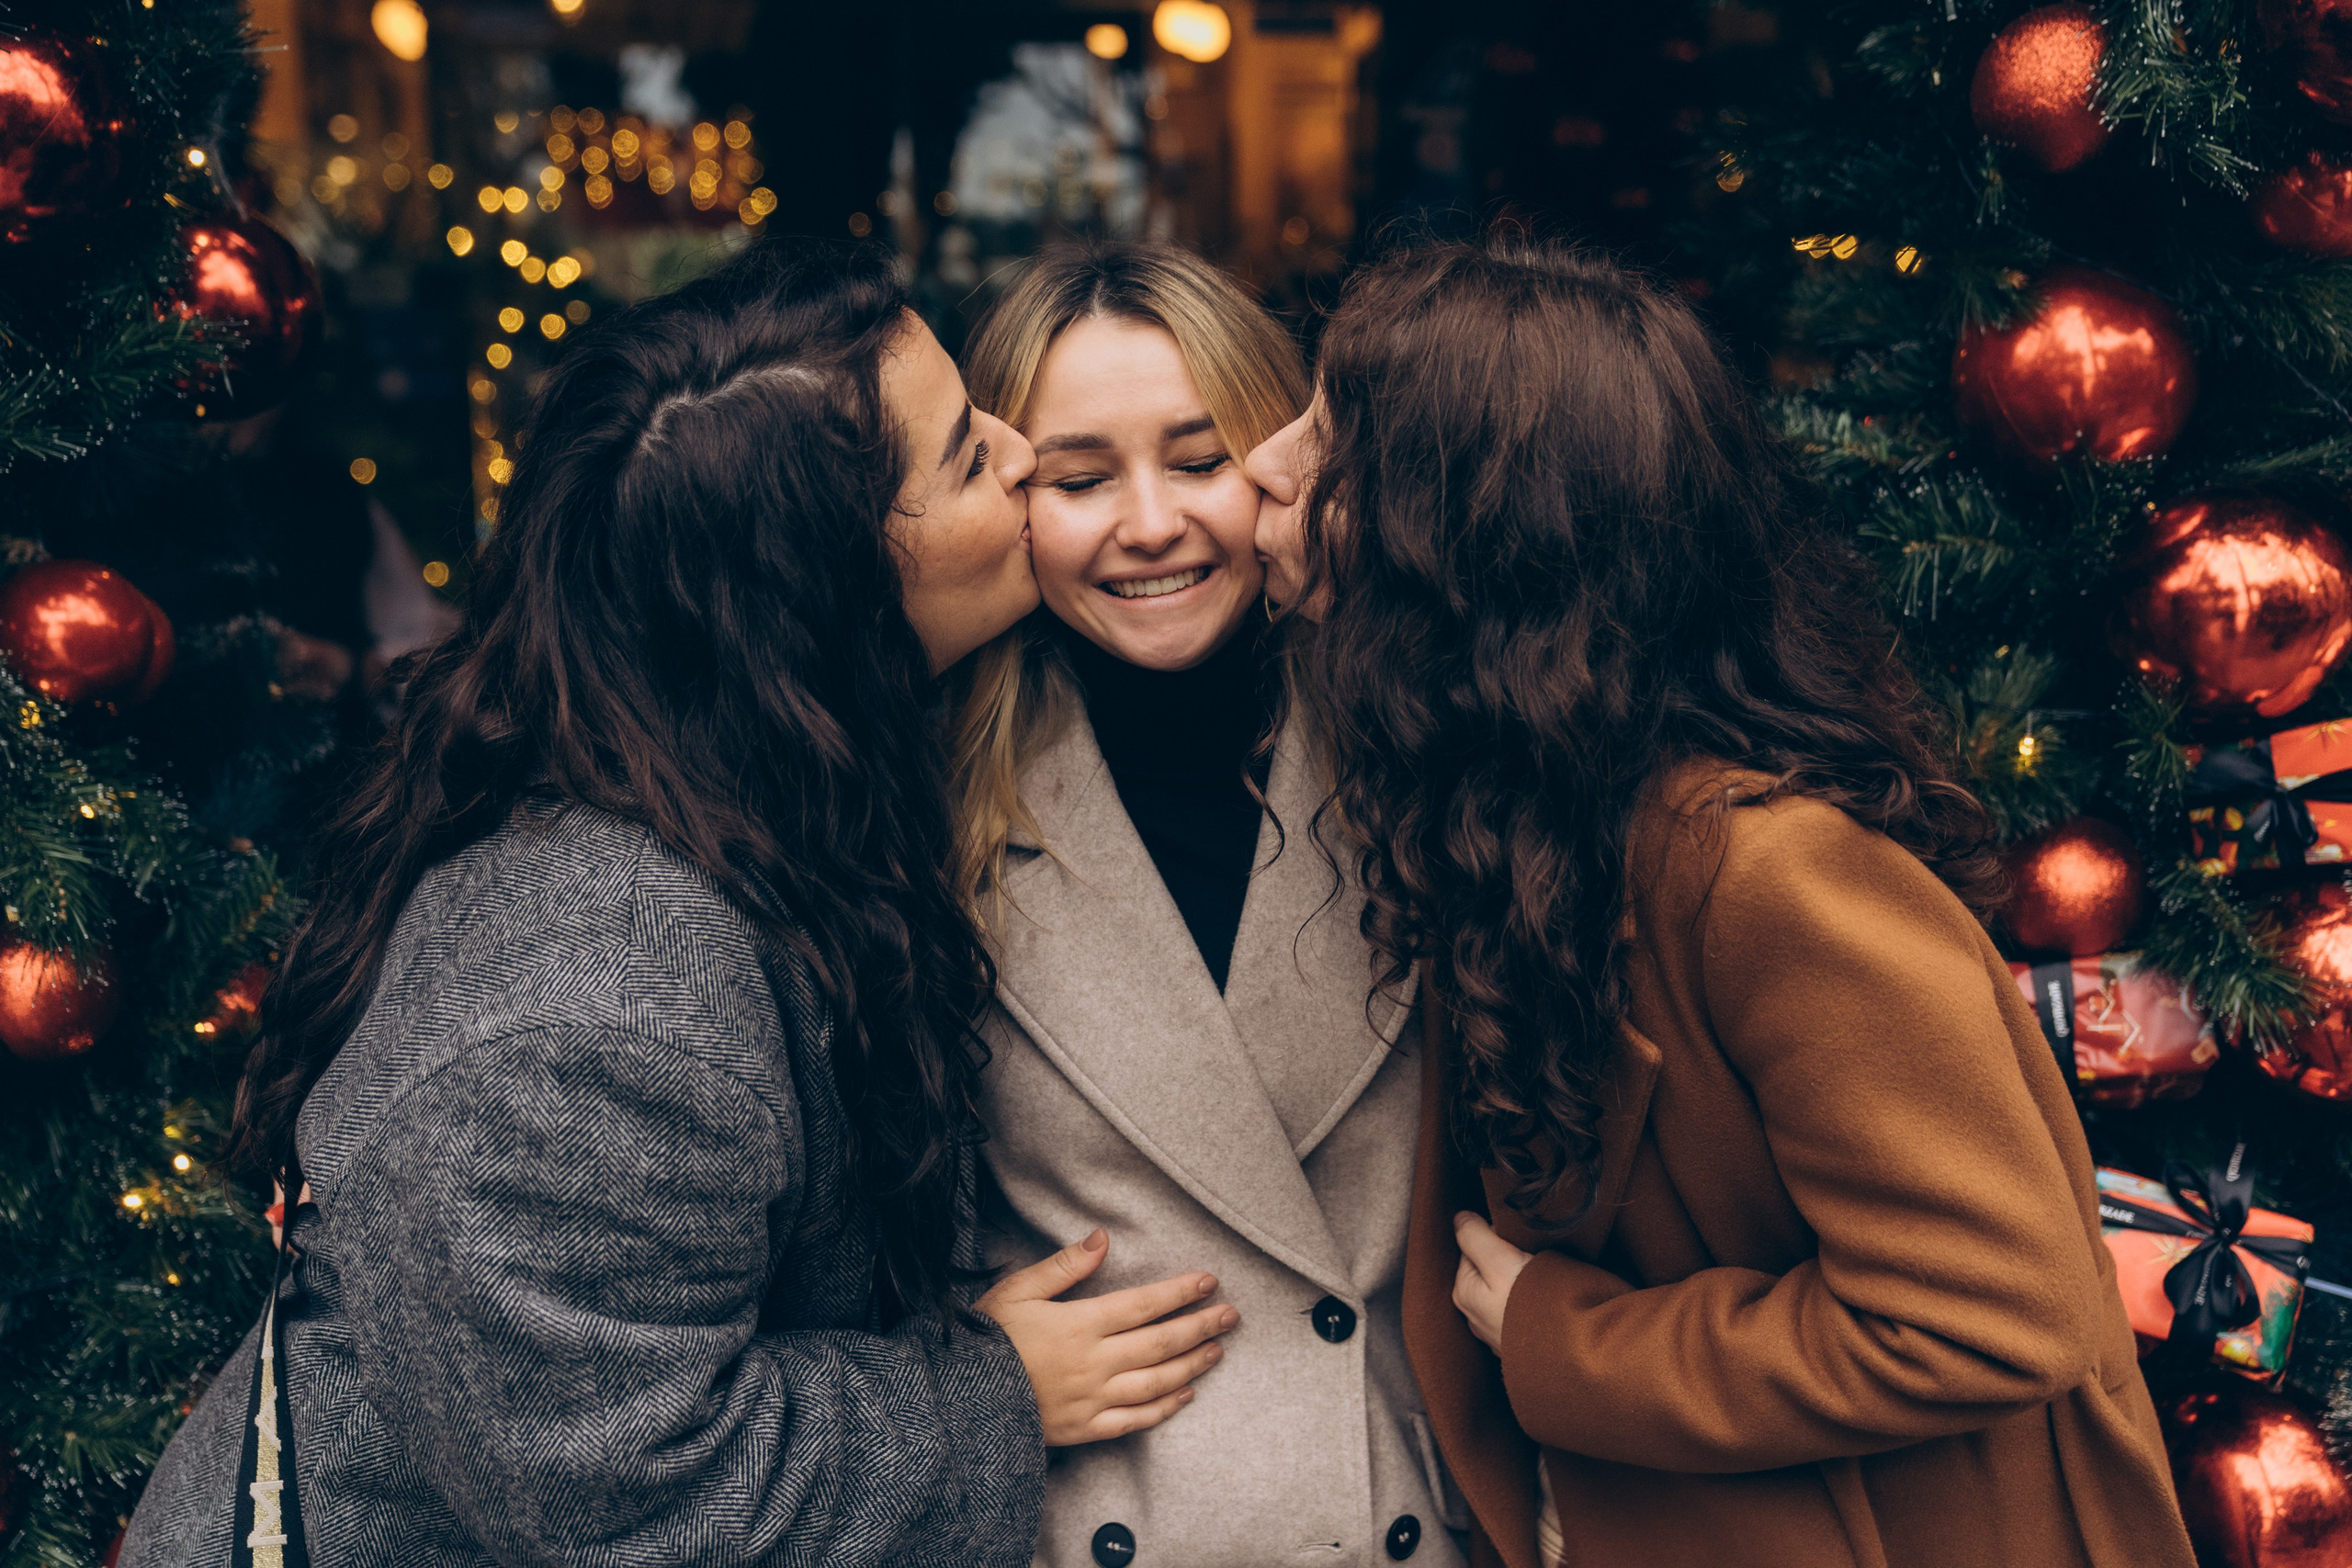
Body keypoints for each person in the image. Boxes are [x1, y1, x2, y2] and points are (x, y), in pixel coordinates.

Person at [119, 240, 1232, 1568]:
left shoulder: (748, 795)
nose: (1020, 447)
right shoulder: (594, 1007)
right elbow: (635, 1501)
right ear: (829, 587)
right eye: (969, 457)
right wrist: (992, 1395)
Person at [1243, 236, 2196, 1568]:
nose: (1260, 467)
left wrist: (1563, 1345)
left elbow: (1984, 1313)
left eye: (1323, 436)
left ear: (1458, 528)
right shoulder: (1523, 819)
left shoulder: (1765, 874)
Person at [950, 242, 1465, 1568]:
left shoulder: (1432, 753)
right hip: (1098, 1517)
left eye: (1198, 459)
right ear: (1006, 494)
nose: (1149, 522)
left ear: (1290, 467)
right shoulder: (921, 802)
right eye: (1079, 478)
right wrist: (964, 1377)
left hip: (1402, 1507)